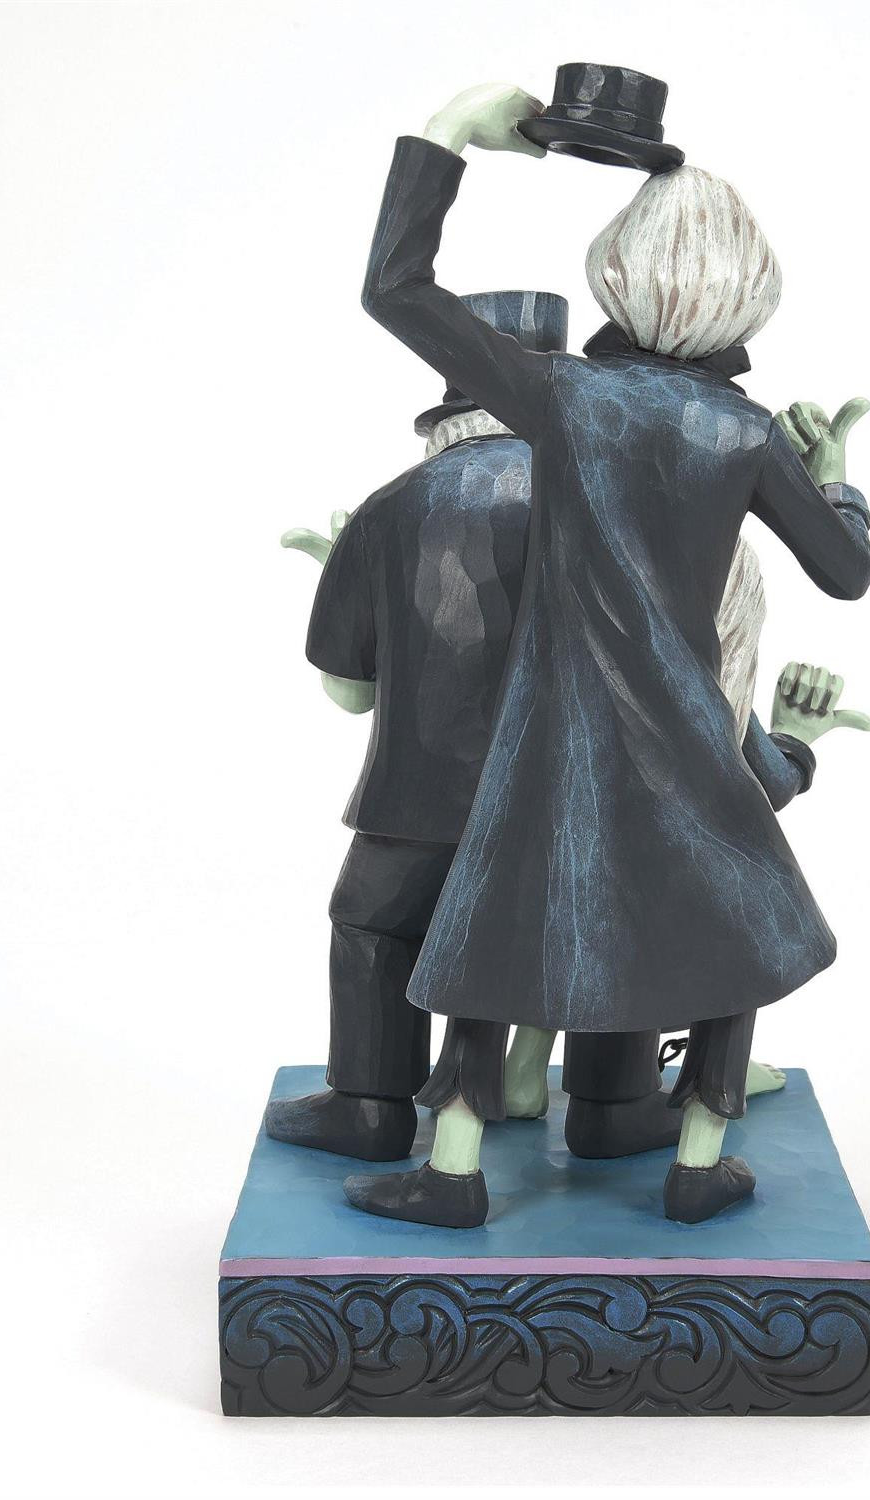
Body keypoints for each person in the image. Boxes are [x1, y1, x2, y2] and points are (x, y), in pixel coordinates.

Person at [343, 81, 870, 1228]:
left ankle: (452, 1169)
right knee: (735, 927)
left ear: (619, 276)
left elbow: (396, 290)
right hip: (687, 733)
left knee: (497, 924)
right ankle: (698, 1160)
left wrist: (451, 134)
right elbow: (846, 573)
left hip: (557, 732)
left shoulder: (564, 394)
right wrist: (834, 481)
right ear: (750, 294)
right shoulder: (744, 431)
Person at [267, 291, 838, 1164]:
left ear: (445, 413)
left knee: (374, 926)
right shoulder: (625, 502)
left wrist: (355, 585)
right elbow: (695, 672)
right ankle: (615, 1103)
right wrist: (786, 750)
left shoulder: (390, 508)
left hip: (415, 804)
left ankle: (371, 1106)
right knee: (618, 922)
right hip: (586, 787)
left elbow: (350, 694)